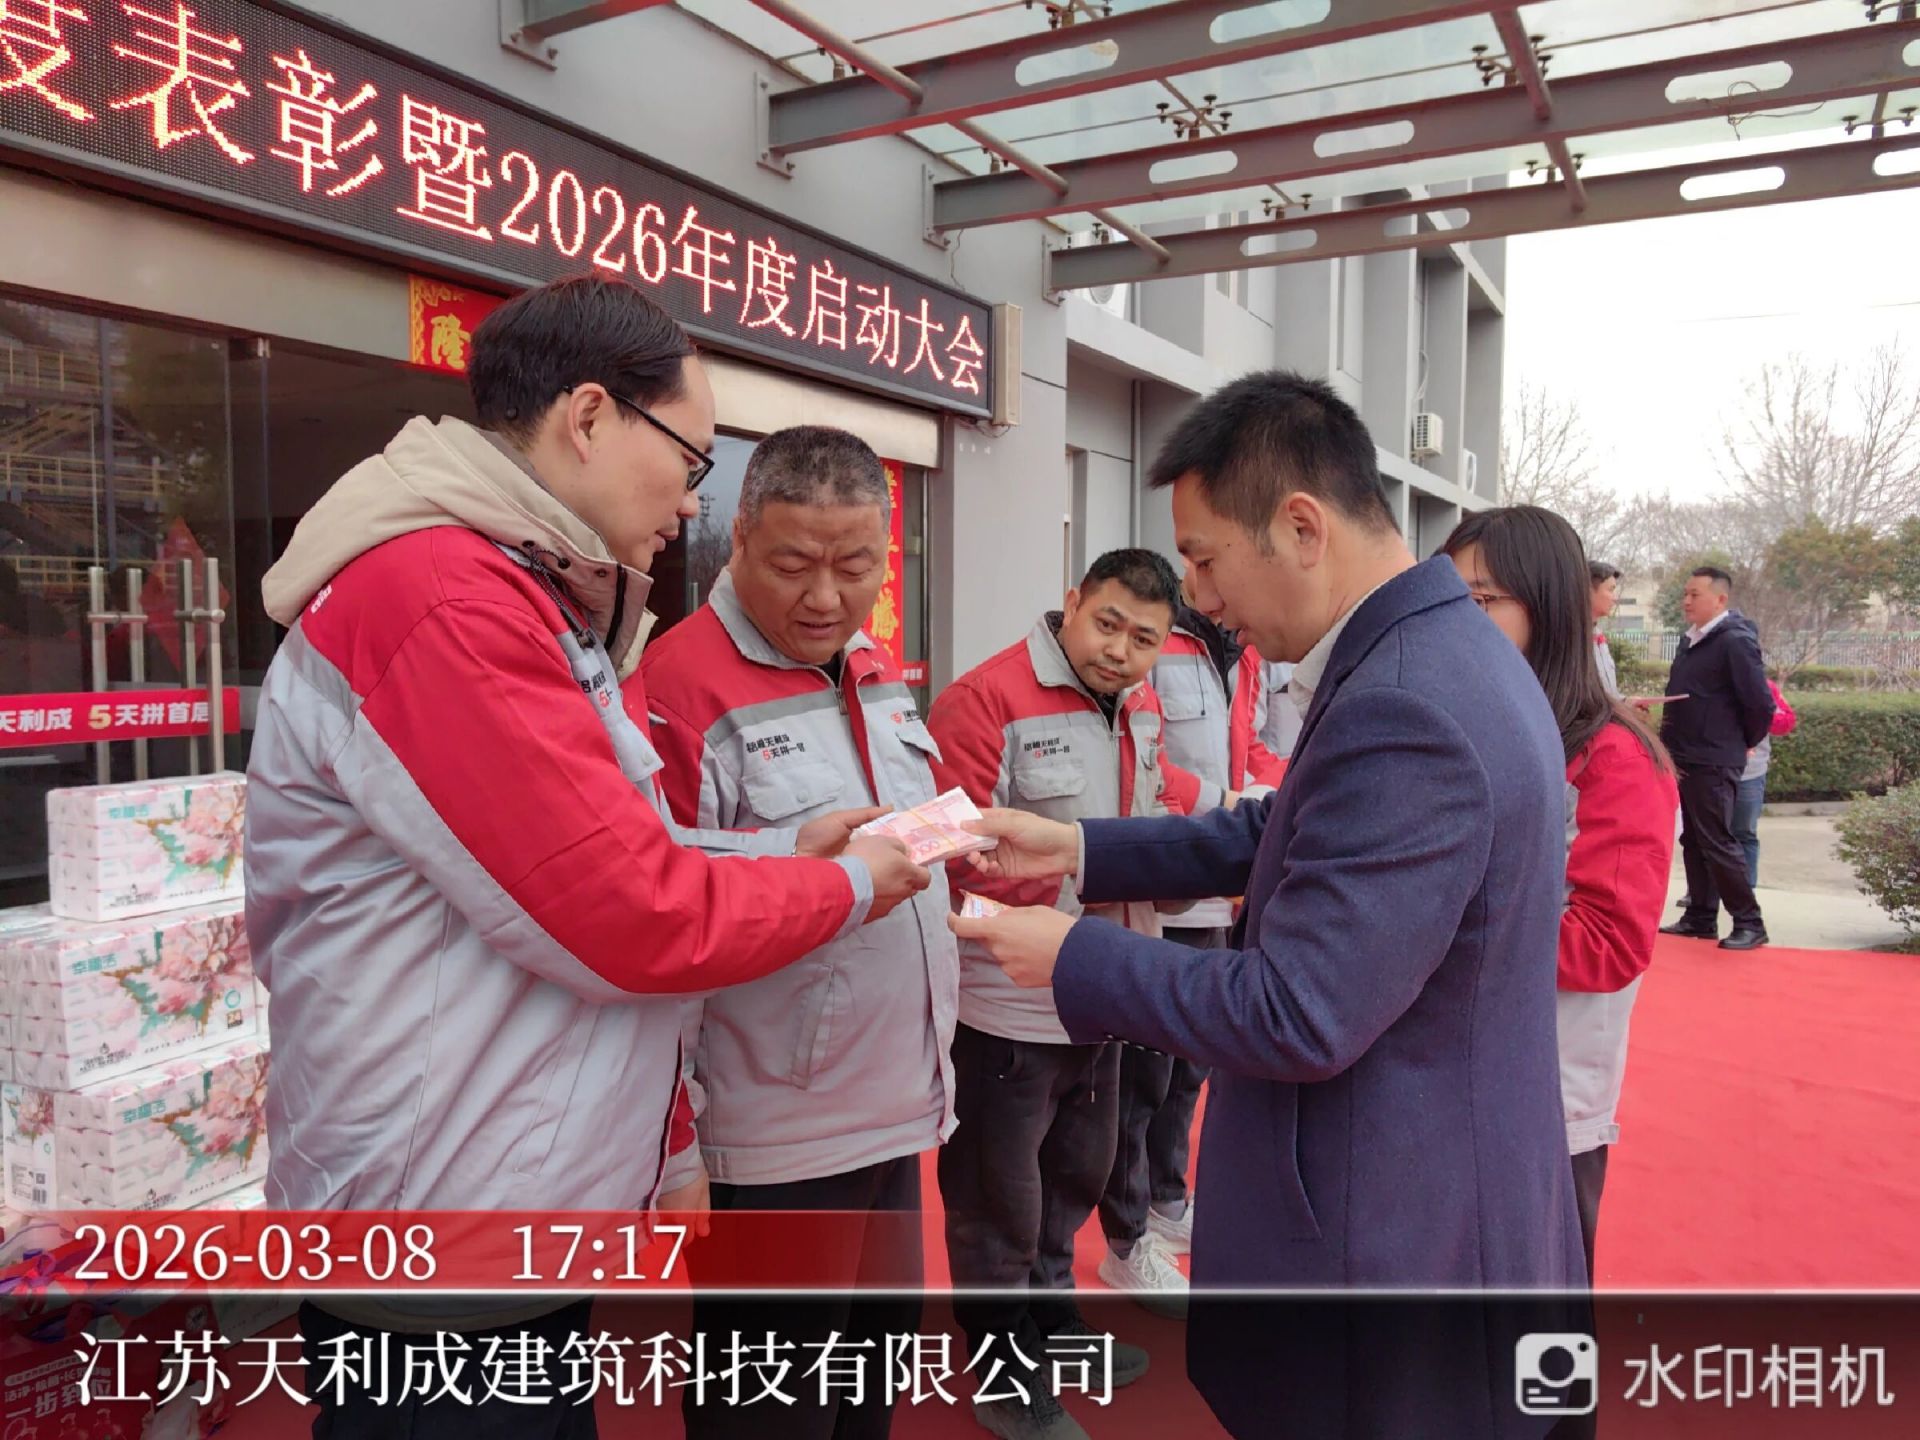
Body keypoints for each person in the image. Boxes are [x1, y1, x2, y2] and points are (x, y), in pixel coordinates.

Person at [244, 277, 929, 1438]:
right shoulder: (444, 600)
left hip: (499, 1194)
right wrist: (848, 882)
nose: (690, 499)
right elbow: (630, 909)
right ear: (593, 417)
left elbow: (592, 849)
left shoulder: (525, 593)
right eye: (692, 458)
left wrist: (777, 847)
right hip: (445, 1229)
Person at [951, 371, 1587, 1440]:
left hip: (1389, 1239)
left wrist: (1070, 956)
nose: (1199, 598)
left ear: (1301, 527)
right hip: (1440, 1199)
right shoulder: (1437, 650)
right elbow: (1283, 830)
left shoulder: (1405, 700)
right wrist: (1080, 846)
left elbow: (1299, 1010)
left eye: (1204, 559)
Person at [643, 425, 958, 1440]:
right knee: (773, 1410)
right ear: (737, 537)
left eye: (855, 566)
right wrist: (673, 1147)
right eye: (792, 565)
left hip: (897, 1108)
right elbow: (656, 929)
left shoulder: (871, 664)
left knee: (869, 1389)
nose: (826, 598)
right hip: (774, 1136)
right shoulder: (677, 688)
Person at [926, 548, 1202, 1440]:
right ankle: (1003, 1376)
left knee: (1075, 1176)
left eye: (1144, 639)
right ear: (1072, 603)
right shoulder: (986, 699)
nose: (1120, 650)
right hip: (1005, 1006)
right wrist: (1087, 879)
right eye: (1107, 624)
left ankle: (1055, 1327)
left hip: (1103, 993)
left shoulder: (1141, 707)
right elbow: (951, 857)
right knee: (997, 1203)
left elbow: (1154, 816)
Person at [1441, 507, 1678, 1289]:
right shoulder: (1465, 725)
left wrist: (1436, 926)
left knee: (1532, 1325)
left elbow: (1608, 942)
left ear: (1548, 608)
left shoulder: (1615, 755)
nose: (1458, 621)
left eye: (1483, 601)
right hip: (1440, 1080)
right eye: (1448, 598)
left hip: (1542, 1100)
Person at [1095, 591, 1286, 1316]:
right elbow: (1147, 766)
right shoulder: (1158, 643)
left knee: (1189, 1071)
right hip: (1174, 871)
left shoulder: (1247, 651)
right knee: (1140, 1081)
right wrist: (1234, 805)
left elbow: (1252, 743)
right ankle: (1127, 1238)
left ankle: (1168, 1198)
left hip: (1223, 880)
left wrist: (1280, 794)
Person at [1656, 567, 1774, 950]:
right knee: (1693, 839)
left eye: (1695, 594)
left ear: (1720, 599)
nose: (1686, 601)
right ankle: (1700, 916)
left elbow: (1760, 704)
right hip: (1685, 754)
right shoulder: (1691, 640)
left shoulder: (1734, 640)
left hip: (1714, 756)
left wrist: (1741, 741)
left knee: (1717, 840)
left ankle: (1749, 922)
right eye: (1685, 594)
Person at [1733, 678, 1797, 888]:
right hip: (1709, 770)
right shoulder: (1703, 680)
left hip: (1749, 773)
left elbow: (1786, 722)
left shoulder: (1762, 685)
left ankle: (1745, 891)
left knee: (1744, 833)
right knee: (1704, 835)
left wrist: (1760, 710)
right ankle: (1700, 892)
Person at [1590, 560, 1622, 698]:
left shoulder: (1598, 637)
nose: (1614, 598)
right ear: (1589, 591)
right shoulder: (1570, 642)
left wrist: (1625, 702)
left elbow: (1608, 693)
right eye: (1610, 590)